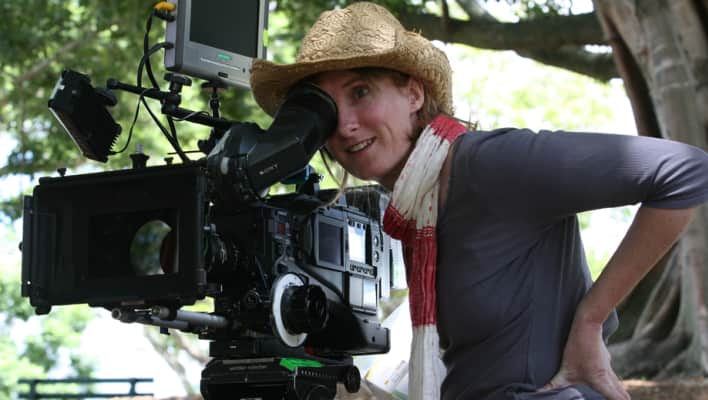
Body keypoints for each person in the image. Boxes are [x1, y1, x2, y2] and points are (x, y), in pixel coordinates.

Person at [249, 2, 708, 399]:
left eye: (361, 91)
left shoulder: (488, 163)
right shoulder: (416, 210)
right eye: (328, 109)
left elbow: (684, 172)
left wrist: (591, 320)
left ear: (414, 93)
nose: (345, 124)